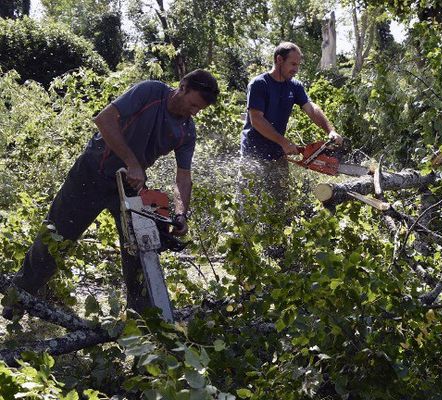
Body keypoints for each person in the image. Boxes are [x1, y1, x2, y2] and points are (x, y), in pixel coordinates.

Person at [2, 69, 220, 320]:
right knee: (56, 237)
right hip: (92, 172)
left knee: (140, 248)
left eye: (198, 110)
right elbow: (104, 119)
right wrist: (132, 162)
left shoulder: (186, 131)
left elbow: (183, 176)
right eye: (193, 104)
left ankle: (141, 319)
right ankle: (17, 300)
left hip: (128, 186)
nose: (193, 112)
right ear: (182, 87)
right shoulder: (150, 92)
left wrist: (181, 213)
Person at [239, 41, 342, 205]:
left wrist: (330, 130)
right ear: (279, 60)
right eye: (293, 64)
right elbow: (256, 119)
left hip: (277, 154)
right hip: (254, 153)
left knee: (281, 203)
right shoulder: (260, 84)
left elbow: (311, 108)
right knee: (250, 202)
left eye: (298, 65)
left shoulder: (294, 86)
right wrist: (284, 142)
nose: (296, 69)